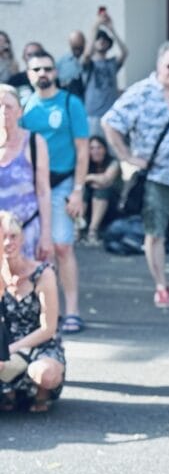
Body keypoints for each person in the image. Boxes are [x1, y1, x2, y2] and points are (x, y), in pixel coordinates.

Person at [102, 41, 169, 309]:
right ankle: (161, 286)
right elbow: (110, 123)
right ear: (159, 65)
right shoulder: (141, 93)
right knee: (155, 233)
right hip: (156, 178)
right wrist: (126, 156)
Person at [19, 50, 89, 335]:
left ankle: (72, 310)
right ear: (28, 74)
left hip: (62, 183)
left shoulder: (71, 103)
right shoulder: (25, 108)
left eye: (48, 68)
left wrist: (78, 191)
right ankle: (47, 312)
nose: (43, 74)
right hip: (32, 185)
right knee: (37, 250)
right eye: (36, 70)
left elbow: (83, 150)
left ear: (56, 72)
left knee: (62, 245)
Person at [0, 211, 66, 414]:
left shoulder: (42, 273)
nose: (8, 243)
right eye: (2, 237)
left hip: (39, 344)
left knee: (44, 373)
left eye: (13, 236)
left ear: (22, 239)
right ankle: (10, 394)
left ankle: (40, 393)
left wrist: (11, 349)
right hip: (7, 345)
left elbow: (49, 328)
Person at [0, 85, 52, 261]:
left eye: (8, 106)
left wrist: (46, 235)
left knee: (30, 283)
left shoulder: (34, 143)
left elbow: (43, 191)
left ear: (19, 112)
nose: (3, 111)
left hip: (27, 230)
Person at [82, 13, 129, 138]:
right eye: (99, 39)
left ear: (109, 44)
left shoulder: (112, 63)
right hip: (93, 115)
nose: (102, 41)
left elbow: (125, 52)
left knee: (113, 152)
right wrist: (96, 26)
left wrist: (111, 29)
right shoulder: (88, 64)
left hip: (112, 115)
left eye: (104, 39)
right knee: (94, 151)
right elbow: (86, 55)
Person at [81, 135, 122, 244]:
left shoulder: (113, 162)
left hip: (112, 204)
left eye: (99, 148)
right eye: (92, 148)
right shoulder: (85, 163)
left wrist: (89, 177)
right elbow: (78, 181)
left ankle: (92, 231)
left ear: (105, 149)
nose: (95, 151)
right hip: (89, 203)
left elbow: (106, 180)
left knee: (102, 190)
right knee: (83, 191)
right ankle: (77, 229)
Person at [56, 30, 87, 98]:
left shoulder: (92, 61)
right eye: (75, 47)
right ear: (70, 44)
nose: (77, 50)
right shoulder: (61, 63)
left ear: (84, 44)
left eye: (79, 47)